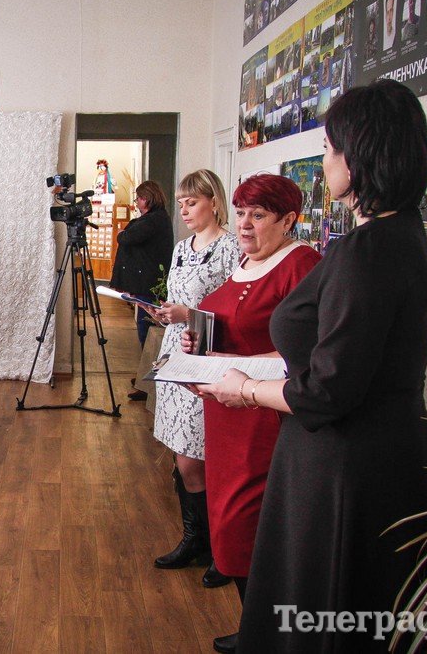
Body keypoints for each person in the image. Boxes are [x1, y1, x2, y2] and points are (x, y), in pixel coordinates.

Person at [199, 80, 427, 652]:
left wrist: (244, 388)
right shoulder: (402, 235)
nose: (327, 161)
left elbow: (326, 391)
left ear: (359, 156)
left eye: (331, 148)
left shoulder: (369, 250)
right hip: (382, 456)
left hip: (347, 471)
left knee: (329, 617)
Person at [183, 174, 321, 653]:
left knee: (250, 525)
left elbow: (307, 357)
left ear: (288, 220)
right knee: (231, 524)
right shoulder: (247, 260)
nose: (244, 223)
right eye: (240, 212)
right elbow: (236, 325)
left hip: (264, 418)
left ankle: (268, 635)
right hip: (227, 415)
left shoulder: (301, 265)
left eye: (258, 215)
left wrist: (231, 364)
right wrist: (200, 343)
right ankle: (257, 628)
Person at [141, 170, 240, 590]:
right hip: (176, 357)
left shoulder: (232, 249)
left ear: (214, 202)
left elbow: (236, 313)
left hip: (207, 359)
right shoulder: (183, 247)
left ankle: (222, 549)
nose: (184, 210)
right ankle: (194, 539)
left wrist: (189, 314)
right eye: (180, 203)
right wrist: (165, 313)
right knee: (181, 456)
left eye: (192, 202)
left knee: (199, 458)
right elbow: (179, 300)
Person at [110, 180, 174, 399]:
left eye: (138, 198)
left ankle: (148, 383)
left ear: (146, 199)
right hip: (148, 283)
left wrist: (122, 232)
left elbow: (128, 237)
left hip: (149, 285)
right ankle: (145, 376)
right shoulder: (157, 219)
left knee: (147, 332)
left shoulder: (153, 220)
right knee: (145, 331)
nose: (136, 202)